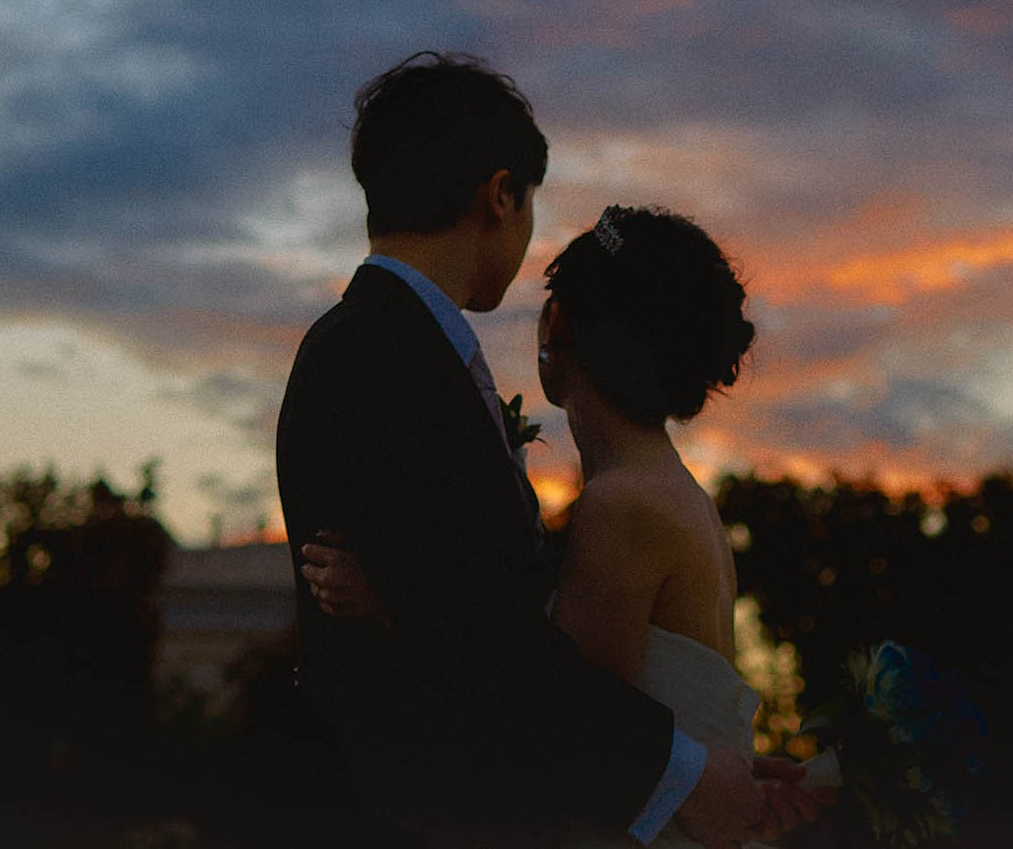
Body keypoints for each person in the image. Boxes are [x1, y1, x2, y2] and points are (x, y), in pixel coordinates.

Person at [275, 53, 812, 848]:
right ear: (500, 195)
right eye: (530, 207)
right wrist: (690, 771)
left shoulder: (389, 349)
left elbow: (480, 615)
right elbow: (505, 659)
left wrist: (400, 597)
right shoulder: (381, 356)